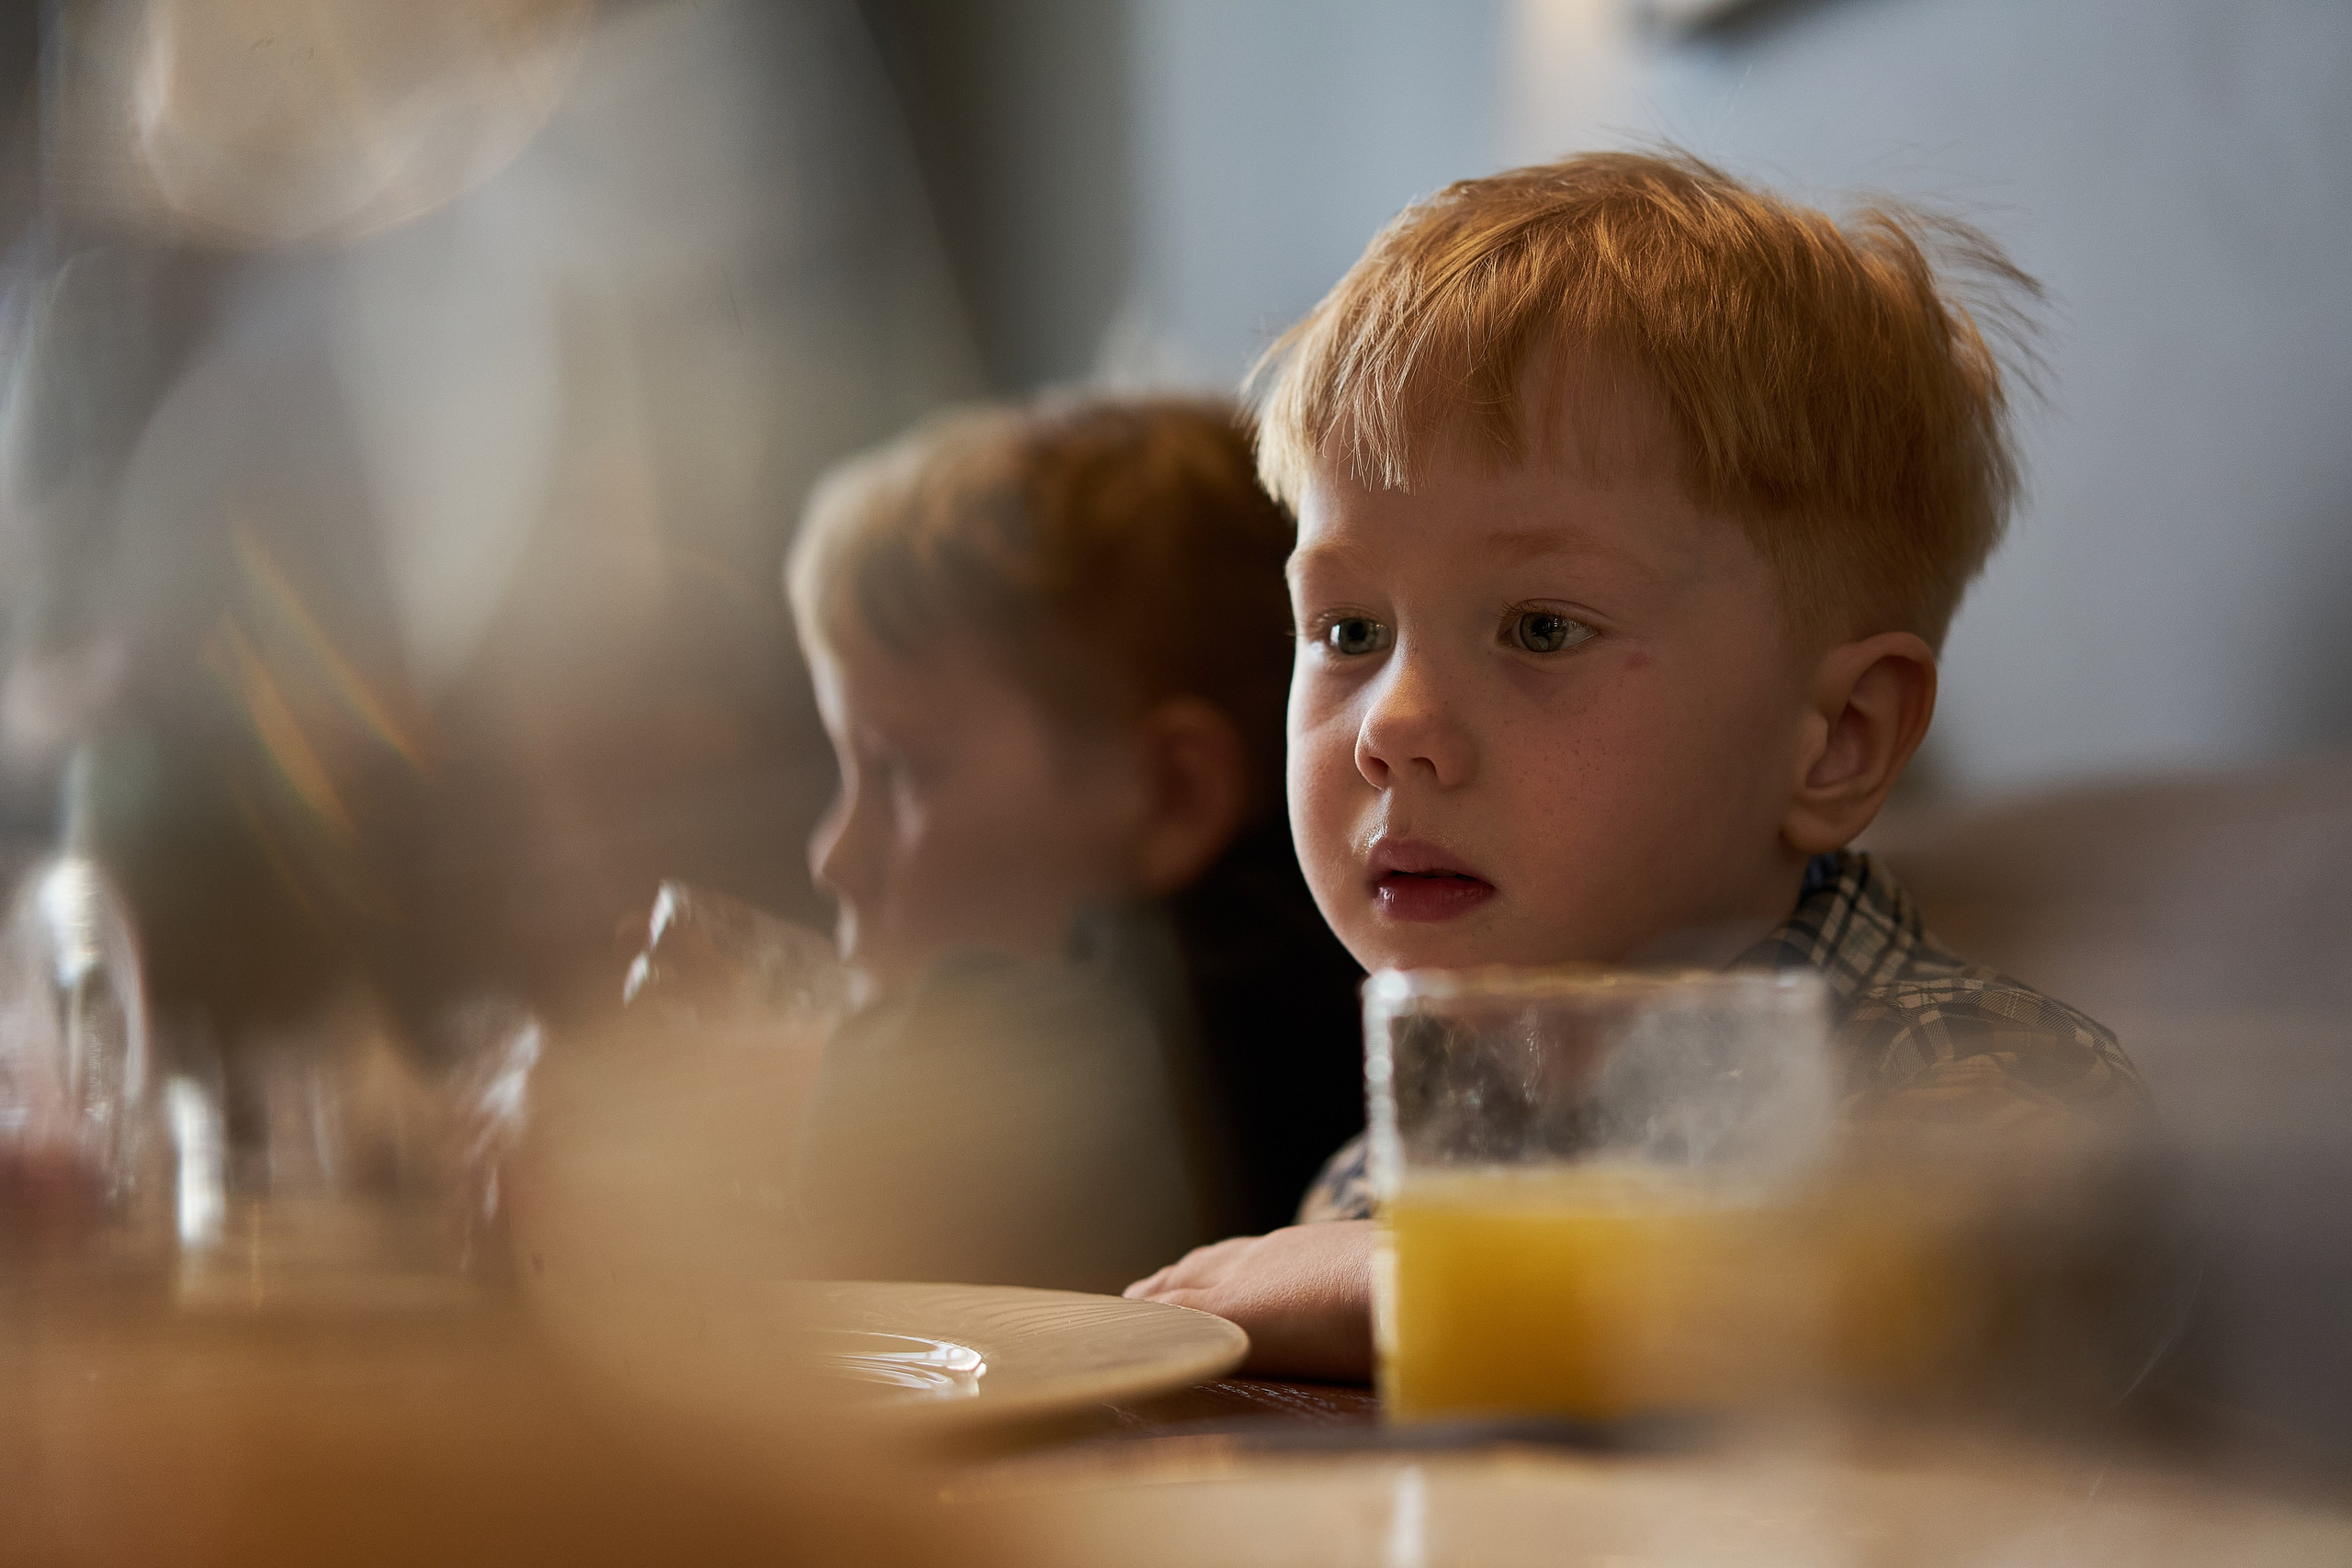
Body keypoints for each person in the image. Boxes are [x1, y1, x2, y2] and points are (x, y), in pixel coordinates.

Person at [1124, 151, 2146, 1377]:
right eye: (1349, 631)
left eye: (1541, 627)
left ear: (1839, 738)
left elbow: (1840, 1331)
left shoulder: (1971, 1083)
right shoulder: (1381, 1170)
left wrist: (1401, 1280)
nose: (1391, 725)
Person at [782, 395, 1364, 1293]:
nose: (834, 857)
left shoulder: (1238, 1002)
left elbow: (897, 1133)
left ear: (1173, 796)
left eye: (903, 773)